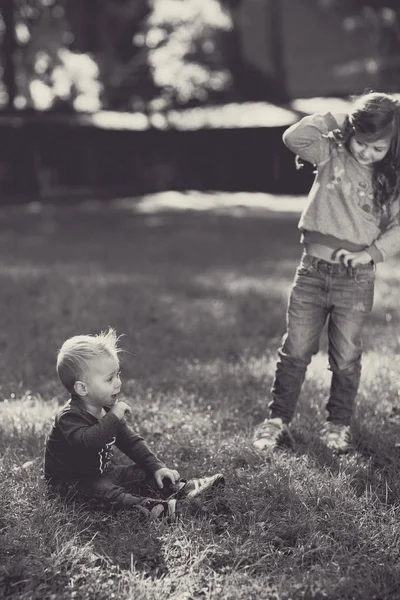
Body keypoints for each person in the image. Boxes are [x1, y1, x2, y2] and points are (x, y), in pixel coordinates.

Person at [253, 91, 400, 453]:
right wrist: (338, 117)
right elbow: (294, 138)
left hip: (356, 280)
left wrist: (373, 254)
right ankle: (277, 420)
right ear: (351, 131)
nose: (365, 152)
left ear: (392, 146)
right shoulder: (331, 154)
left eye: (377, 147)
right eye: (361, 141)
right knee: (296, 350)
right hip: (312, 273)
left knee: (346, 357)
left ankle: (337, 424)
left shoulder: (390, 181)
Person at [44, 328, 224, 521]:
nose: (118, 383)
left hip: (104, 472)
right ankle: (156, 509)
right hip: (73, 484)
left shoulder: (104, 408)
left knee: (141, 473)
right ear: (82, 388)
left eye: (118, 375)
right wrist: (113, 417)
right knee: (109, 494)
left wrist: (156, 467)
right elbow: (89, 441)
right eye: (109, 379)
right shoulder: (69, 417)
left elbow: (130, 441)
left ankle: (182, 488)